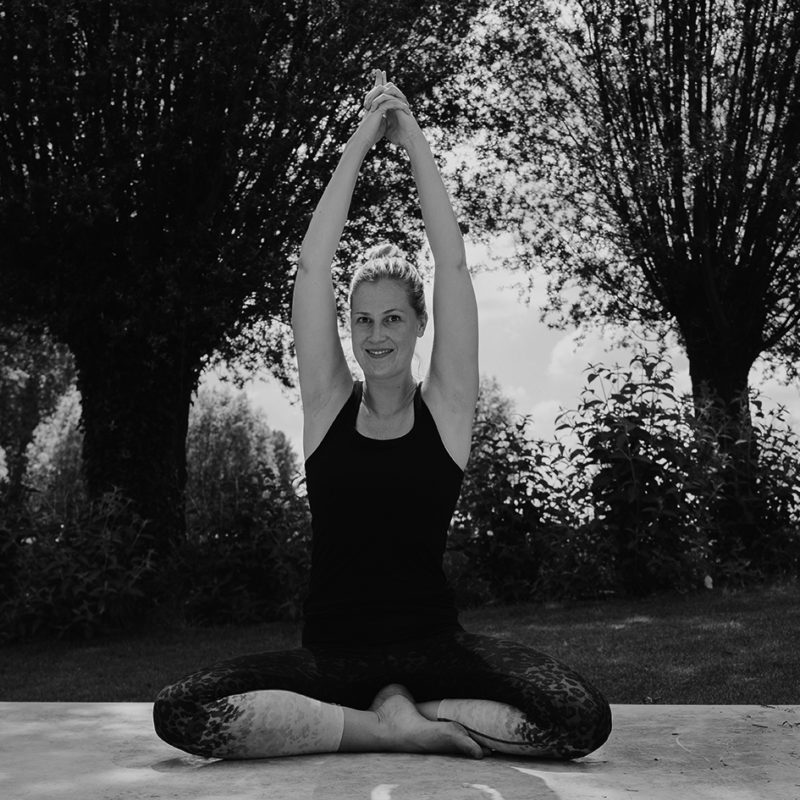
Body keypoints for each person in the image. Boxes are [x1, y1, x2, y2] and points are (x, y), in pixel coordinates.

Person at [153, 70, 612, 761]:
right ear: (349, 328)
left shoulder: (446, 410)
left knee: (581, 718)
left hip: (436, 649)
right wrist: (363, 139)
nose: (376, 335)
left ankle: (408, 707)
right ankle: (384, 724)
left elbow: (452, 267)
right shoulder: (327, 407)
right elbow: (312, 269)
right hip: (333, 656)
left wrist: (413, 136)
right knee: (180, 711)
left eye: (393, 318)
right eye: (363, 320)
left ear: (419, 324)